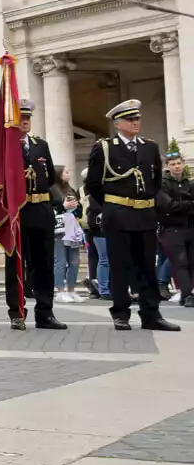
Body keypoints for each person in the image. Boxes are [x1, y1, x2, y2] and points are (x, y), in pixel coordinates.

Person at [86, 100, 180, 331]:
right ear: (118, 123)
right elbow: (94, 185)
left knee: (147, 266)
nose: (135, 122)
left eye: (137, 118)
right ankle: (121, 313)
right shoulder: (106, 147)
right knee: (121, 266)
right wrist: (112, 207)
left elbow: (156, 182)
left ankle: (151, 314)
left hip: (145, 214)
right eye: (130, 119)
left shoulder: (149, 147)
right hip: (118, 215)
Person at [0, 99, 65, 330]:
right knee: (15, 264)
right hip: (16, 213)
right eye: (21, 118)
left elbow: (48, 179)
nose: (25, 122)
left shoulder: (40, 145)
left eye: (28, 118)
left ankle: (45, 312)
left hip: (41, 210)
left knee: (44, 264)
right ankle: (16, 312)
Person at [157, 151, 194, 308]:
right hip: (171, 229)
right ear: (167, 167)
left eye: (179, 163)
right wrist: (189, 203)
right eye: (173, 164)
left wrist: (181, 204)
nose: (177, 167)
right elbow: (168, 206)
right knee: (181, 263)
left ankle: (189, 293)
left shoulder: (190, 183)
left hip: (190, 228)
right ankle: (186, 295)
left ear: (183, 164)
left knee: (191, 262)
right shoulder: (162, 184)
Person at [51, 165, 85, 303]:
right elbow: (52, 207)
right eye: (65, 172)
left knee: (75, 260)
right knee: (60, 260)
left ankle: (71, 289)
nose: (68, 174)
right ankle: (60, 290)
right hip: (59, 227)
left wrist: (77, 206)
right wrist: (63, 207)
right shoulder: (52, 189)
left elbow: (79, 205)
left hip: (73, 225)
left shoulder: (69, 188)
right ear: (58, 174)